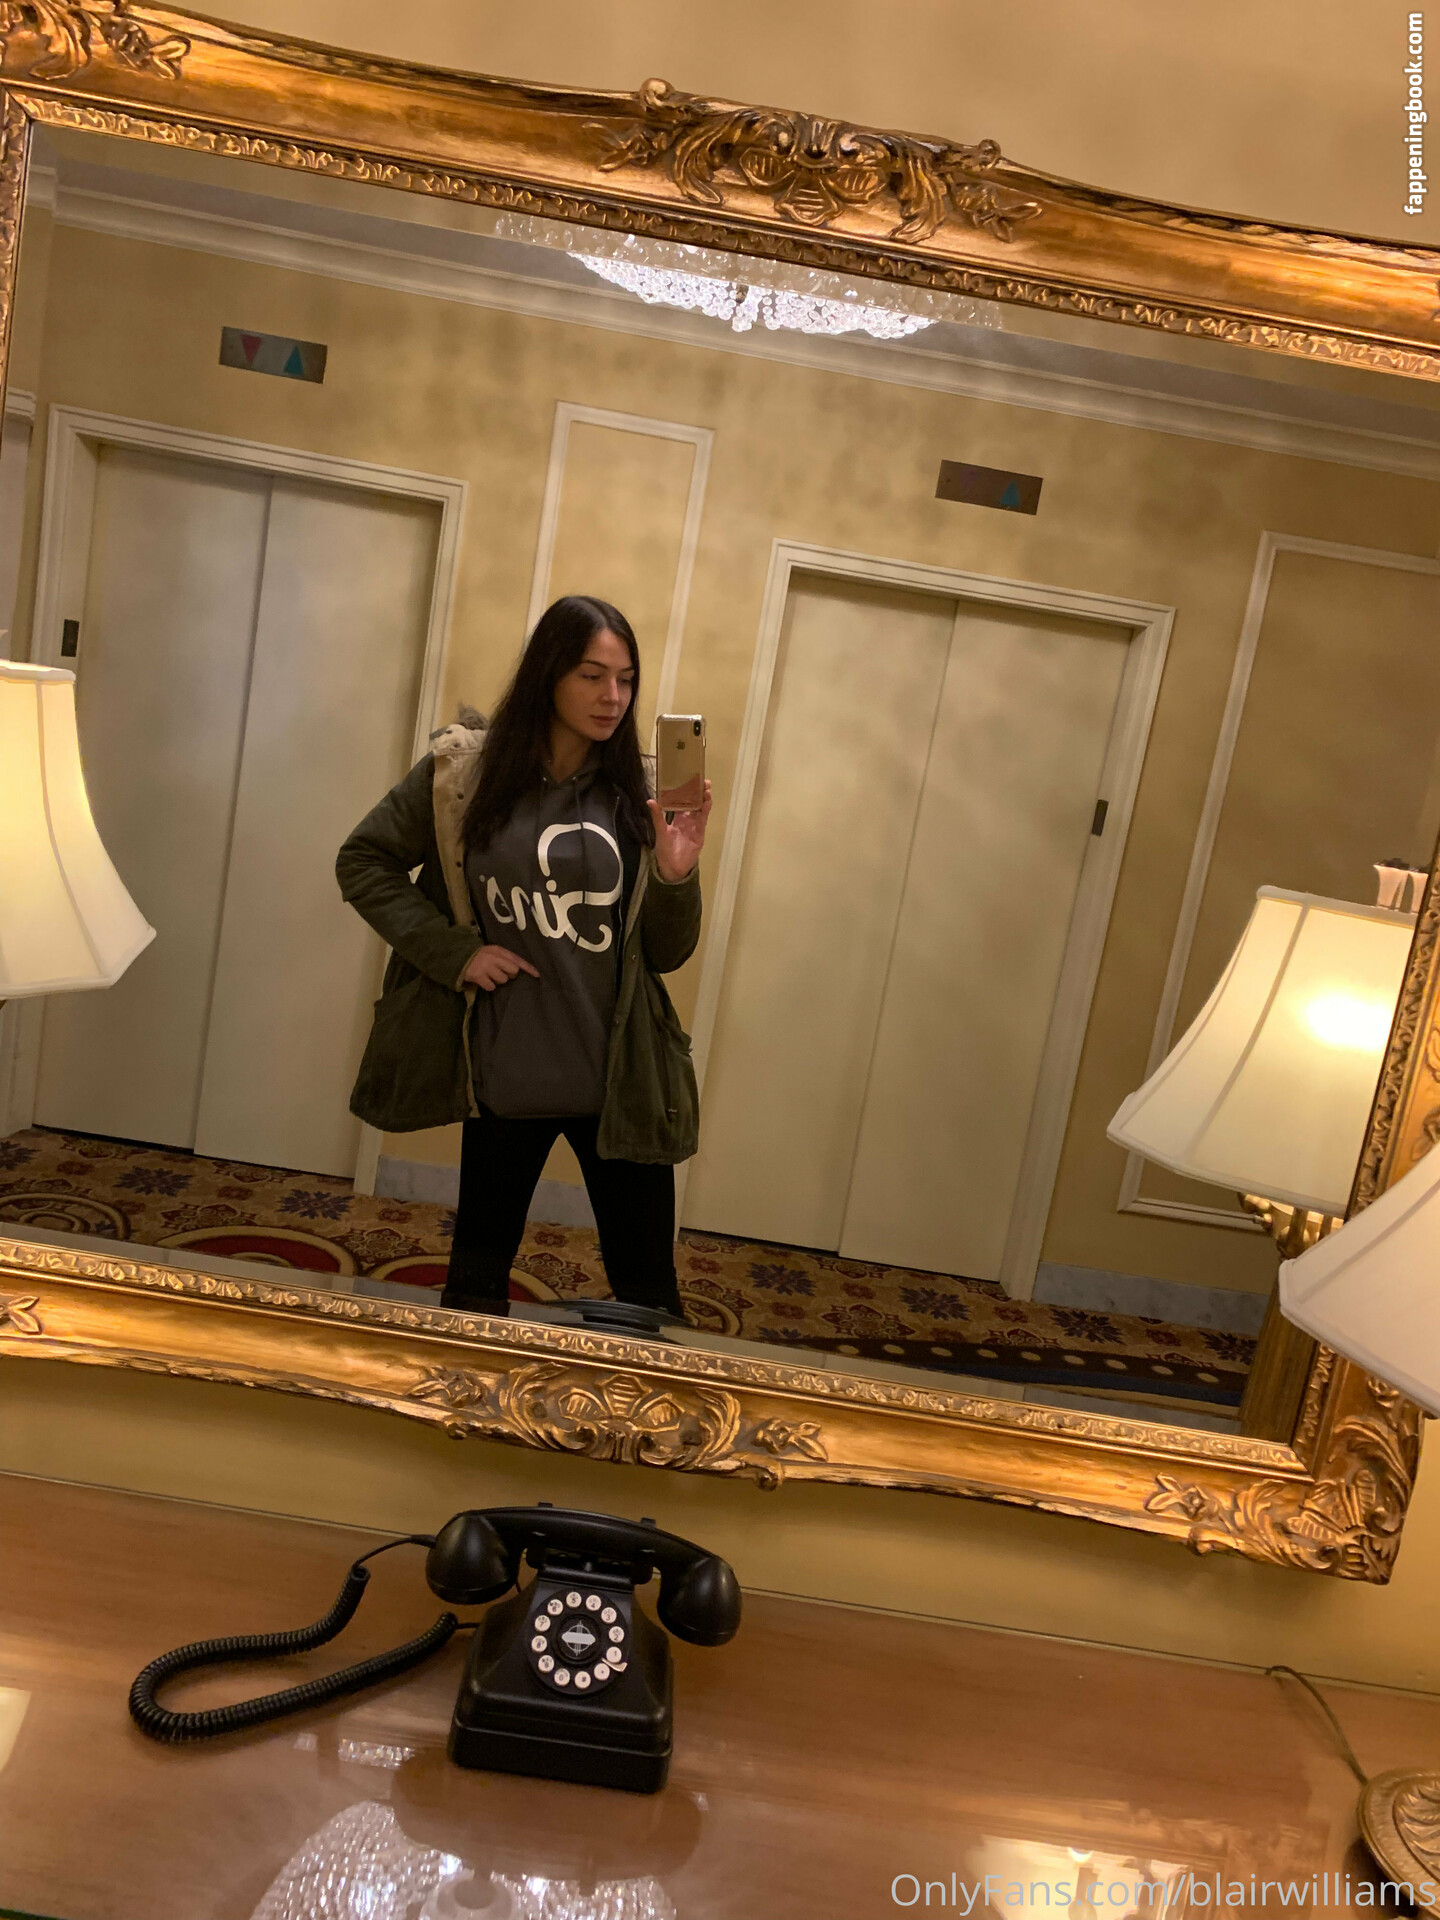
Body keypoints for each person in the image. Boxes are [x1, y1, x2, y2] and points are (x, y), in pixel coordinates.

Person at [336, 595, 710, 1320]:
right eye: (591, 675)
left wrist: (676, 871)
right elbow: (364, 861)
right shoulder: (462, 776)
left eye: (626, 679)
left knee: (650, 1299)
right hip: (505, 1071)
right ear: (548, 675)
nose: (613, 697)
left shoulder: (638, 793)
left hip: (618, 1080)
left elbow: (668, 953)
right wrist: (456, 953)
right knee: (475, 1288)